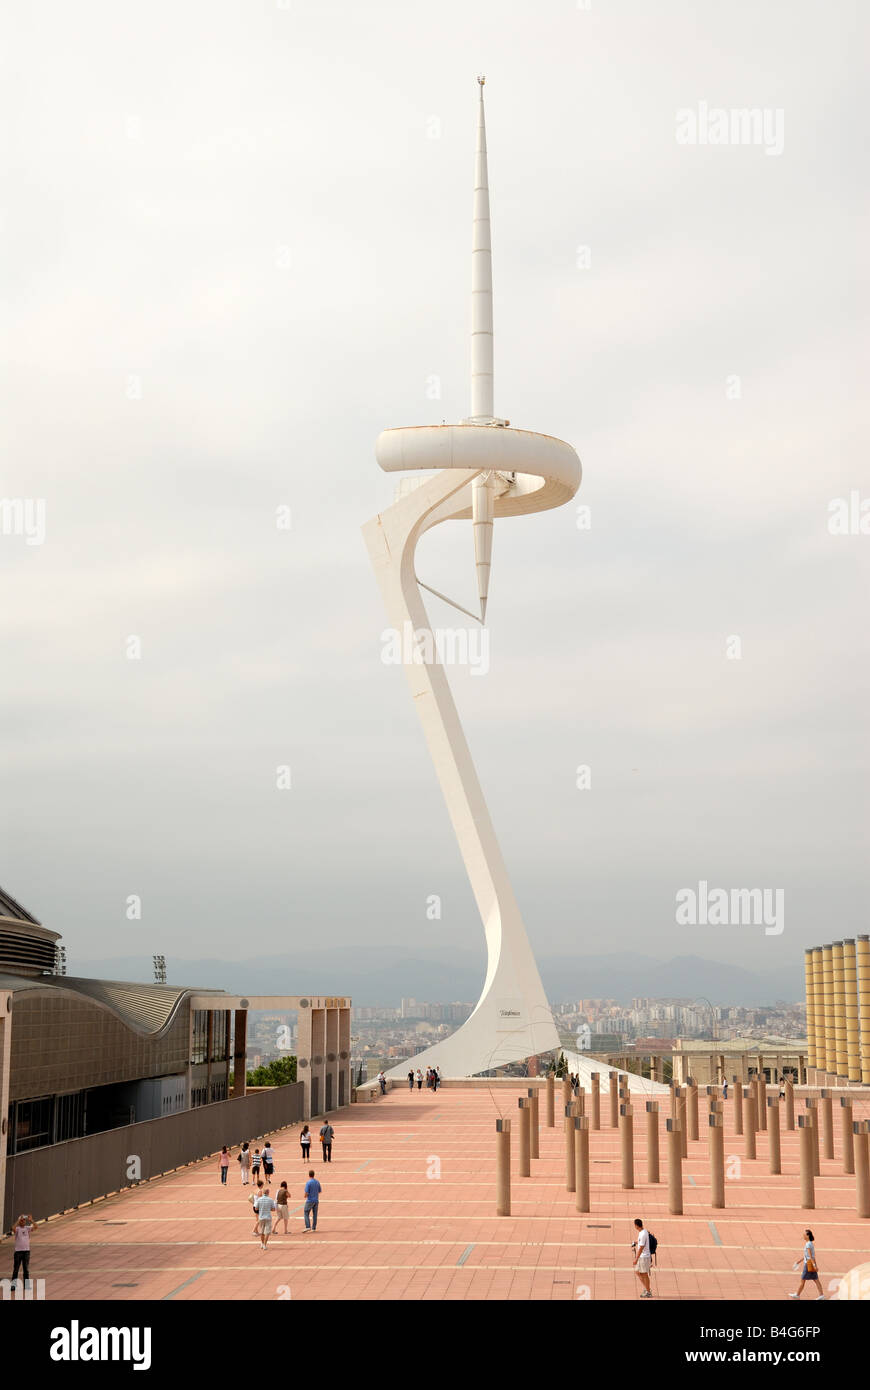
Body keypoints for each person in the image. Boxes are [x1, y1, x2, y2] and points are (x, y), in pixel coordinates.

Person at [789, 1229, 823, 1299]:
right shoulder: (810, 1243)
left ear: (808, 1235)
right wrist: (798, 1262)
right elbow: (807, 1256)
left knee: (803, 1280)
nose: (803, 1236)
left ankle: (797, 1295)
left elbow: (810, 1256)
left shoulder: (808, 1244)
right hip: (810, 1264)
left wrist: (814, 1265)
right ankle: (821, 1295)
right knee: (816, 1280)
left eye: (804, 1234)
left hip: (808, 1265)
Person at [11, 1214, 34, 1289]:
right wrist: (18, 1220)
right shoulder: (17, 1229)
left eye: (24, 1220)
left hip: (26, 1251)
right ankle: (13, 1285)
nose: (23, 1221)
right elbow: (12, 1228)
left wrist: (31, 1220)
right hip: (18, 1252)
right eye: (21, 1220)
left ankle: (26, 1285)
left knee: (26, 1269)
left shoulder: (27, 1228)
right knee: (16, 1269)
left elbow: (36, 1227)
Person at [632, 1218, 652, 1299]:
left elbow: (641, 1247)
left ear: (636, 1226)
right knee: (638, 1272)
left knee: (644, 1274)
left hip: (644, 1257)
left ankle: (648, 1291)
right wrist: (636, 1242)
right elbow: (641, 1242)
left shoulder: (643, 1234)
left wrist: (636, 1259)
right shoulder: (643, 1232)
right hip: (642, 1257)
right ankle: (647, 1289)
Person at [255, 1186, 276, 1251]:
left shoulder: (259, 1199)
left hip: (261, 1217)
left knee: (262, 1232)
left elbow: (256, 1208)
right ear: (268, 1193)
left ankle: (262, 1243)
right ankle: (264, 1244)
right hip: (268, 1217)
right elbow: (273, 1209)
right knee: (267, 1232)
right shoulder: (271, 1200)